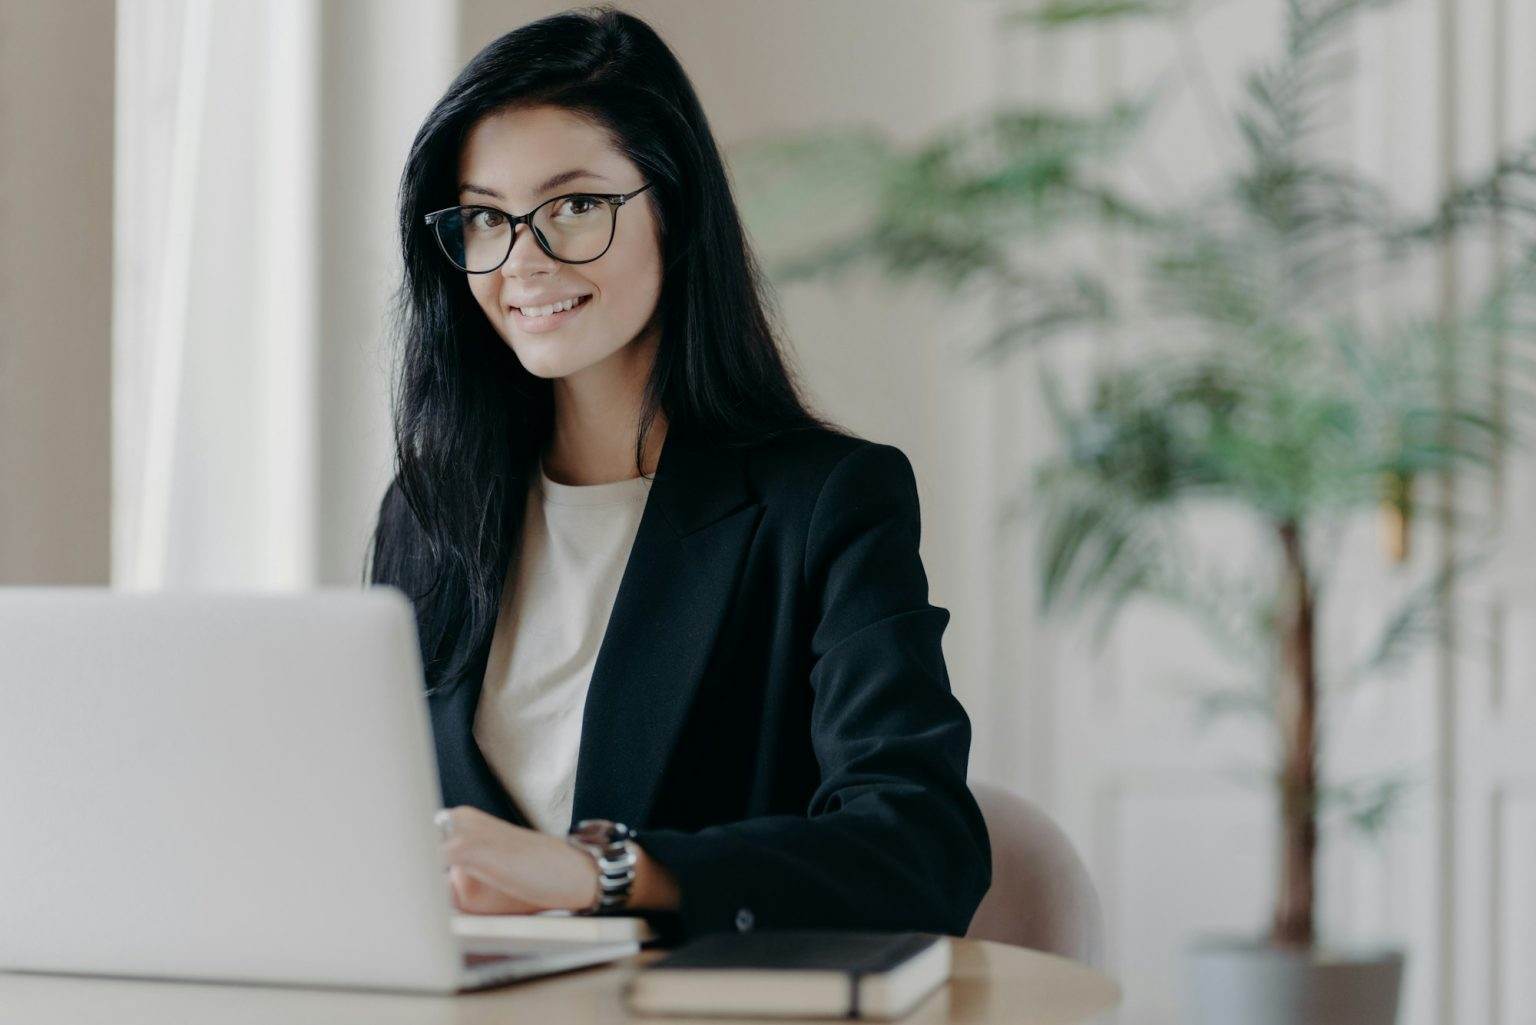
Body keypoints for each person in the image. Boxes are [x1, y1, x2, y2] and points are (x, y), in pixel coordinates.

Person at [365, 4, 990, 943]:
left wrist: (602, 871)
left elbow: (921, 846)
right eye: (486, 218)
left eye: (574, 205)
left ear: (675, 206)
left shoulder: (825, 504)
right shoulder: (426, 513)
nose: (523, 260)